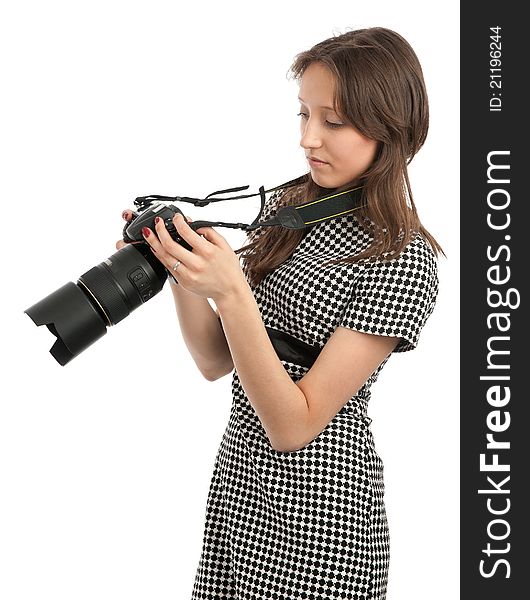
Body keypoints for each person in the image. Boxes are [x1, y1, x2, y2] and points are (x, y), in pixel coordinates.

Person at [117, 26, 443, 600]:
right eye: (303, 115)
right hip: (239, 497)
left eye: (333, 122)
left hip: (323, 520)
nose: (308, 139)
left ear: (392, 130)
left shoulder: (405, 258)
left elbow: (296, 425)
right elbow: (215, 361)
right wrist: (179, 266)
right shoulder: (293, 209)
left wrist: (232, 294)